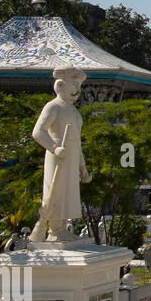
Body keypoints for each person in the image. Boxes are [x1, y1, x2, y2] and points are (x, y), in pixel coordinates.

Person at [32, 67, 90, 244]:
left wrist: (83, 167)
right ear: (60, 85)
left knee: (69, 192)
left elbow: (78, 143)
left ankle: (62, 228)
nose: (77, 90)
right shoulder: (53, 106)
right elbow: (38, 132)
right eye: (74, 85)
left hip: (72, 156)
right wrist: (54, 148)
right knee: (55, 192)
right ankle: (54, 229)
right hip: (58, 155)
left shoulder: (74, 112)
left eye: (79, 85)